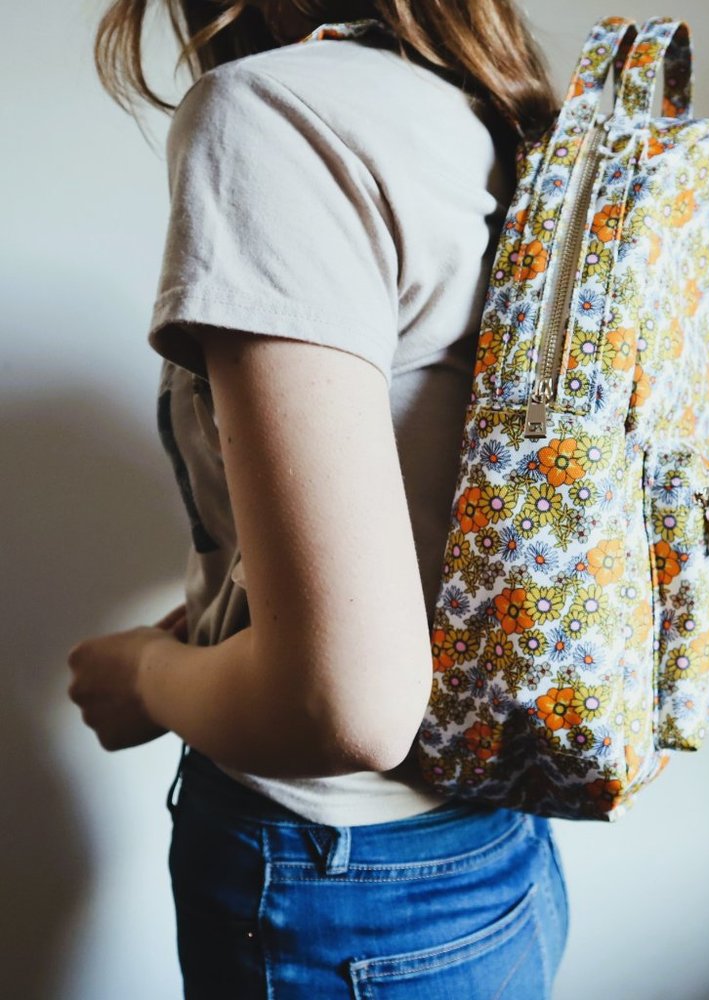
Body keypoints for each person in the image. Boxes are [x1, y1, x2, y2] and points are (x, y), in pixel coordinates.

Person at [66, 0, 571, 995]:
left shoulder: (275, 116)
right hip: (492, 848)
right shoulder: (485, 110)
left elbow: (345, 702)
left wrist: (145, 675)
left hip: (342, 891)